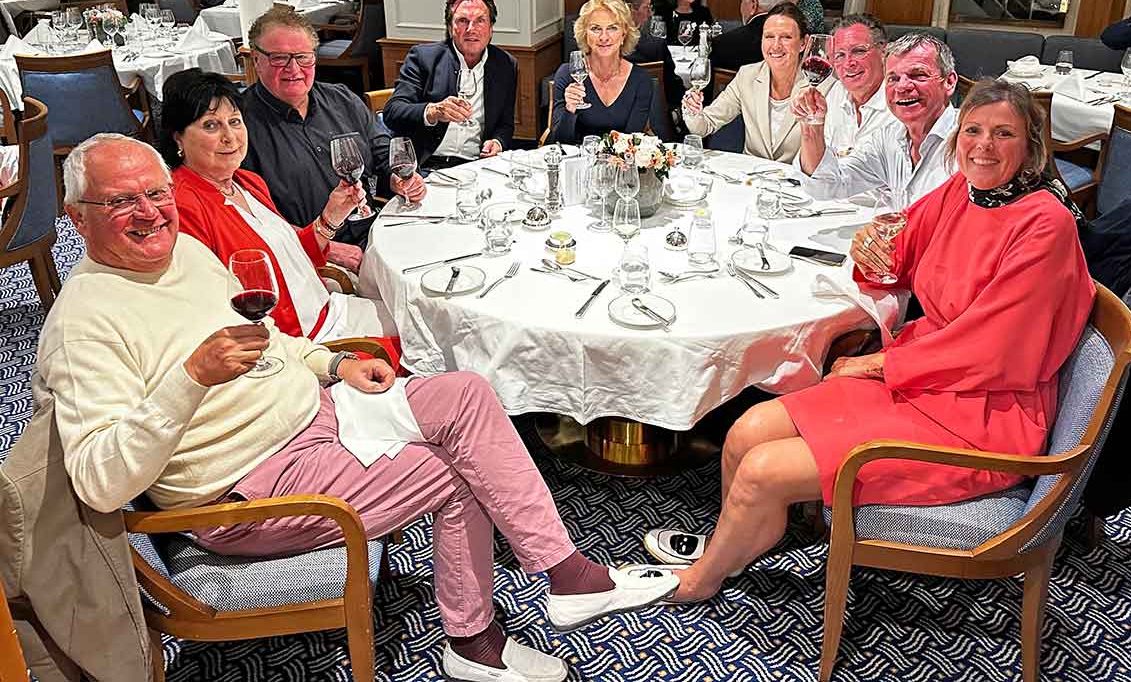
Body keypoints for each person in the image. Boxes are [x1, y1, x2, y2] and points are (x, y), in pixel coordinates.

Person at [37, 134, 678, 681]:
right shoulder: (83, 323)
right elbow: (98, 482)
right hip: (246, 486)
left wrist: (332, 364)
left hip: (316, 414)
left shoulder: (188, 253)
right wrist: (190, 379)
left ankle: (564, 575)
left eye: (157, 193)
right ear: (76, 217)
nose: (150, 213)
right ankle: (475, 644)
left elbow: (270, 339)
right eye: (120, 201)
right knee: (455, 472)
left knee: (467, 394)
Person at [640, 80, 1095, 602]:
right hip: (929, 378)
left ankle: (705, 578)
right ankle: (738, 543)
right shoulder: (962, 191)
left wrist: (878, 365)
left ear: (1031, 147)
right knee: (746, 431)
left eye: (1003, 134)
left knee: (762, 470)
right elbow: (897, 247)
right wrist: (871, 247)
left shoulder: (1046, 224)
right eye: (973, 130)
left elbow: (996, 349)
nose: (983, 146)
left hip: (982, 414)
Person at [161, 70, 421, 360]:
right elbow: (214, 310)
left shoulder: (247, 182)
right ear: (178, 138)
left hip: (329, 310)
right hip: (299, 343)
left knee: (421, 313)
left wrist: (330, 217)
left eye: (235, 121)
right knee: (422, 339)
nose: (230, 137)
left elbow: (292, 257)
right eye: (211, 125)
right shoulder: (183, 207)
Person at [239, 7, 396, 255]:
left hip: (376, 230)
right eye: (279, 58)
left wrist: (399, 177)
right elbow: (250, 218)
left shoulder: (341, 99)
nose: (293, 69)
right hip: (308, 256)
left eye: (303, 57)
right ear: (256, 60)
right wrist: (326, 248)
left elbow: (381, 150)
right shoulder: (238, 126)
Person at [794, 32, 959, 208]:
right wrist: (812, 123)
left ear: (949, 82)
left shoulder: (969, 139)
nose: (902, 86)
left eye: (918, 75)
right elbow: (825, 186)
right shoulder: (888, 139)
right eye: (893, 78)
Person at [382, 0, 516, 170]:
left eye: (480, 20)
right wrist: (434, 111)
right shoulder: (424, 58)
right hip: (426, 166)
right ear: (450, 26)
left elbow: (505, 124)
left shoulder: (505, 65)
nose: (471, 29)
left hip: (476, 166)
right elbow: (392, 112)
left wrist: (498, 142)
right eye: (462, 21)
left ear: (491, 27)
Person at [681, 2, 809, 163]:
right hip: (751, 175)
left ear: (803, 43)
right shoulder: (747, 76)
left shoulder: (819, 86)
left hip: (797, 177)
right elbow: (705, 125)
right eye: (769, 36)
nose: (776, 45)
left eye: (786, 37)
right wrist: (692, 110)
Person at [550, 0, 659, 144]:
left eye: (612, 28)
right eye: (595, 28)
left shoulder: (641, 80)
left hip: (620, 158)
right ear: (585, 34)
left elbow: (631, 142)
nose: (604, 37)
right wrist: (570, 109)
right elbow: (559, 142)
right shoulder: (567, 75)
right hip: (576, 157)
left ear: (624, 34)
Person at [790, 13, 894, 156]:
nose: (848, 63)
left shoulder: (900, 102)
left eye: (859, 51)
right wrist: (811, 125)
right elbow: (813, 165)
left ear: (883, 52)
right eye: (839, 55)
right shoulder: (835, 93)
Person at [612, 0, 682, 138]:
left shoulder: (594, 47)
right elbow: (674, 90)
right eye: (646, 7)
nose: (650, 13)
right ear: (629, 9)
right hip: (651, 130)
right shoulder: (655, 47)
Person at [710, 0, 789, 70]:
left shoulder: (723, 44)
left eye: (743, 1)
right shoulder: (794, 42)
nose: (741, 7)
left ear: (753, 5)